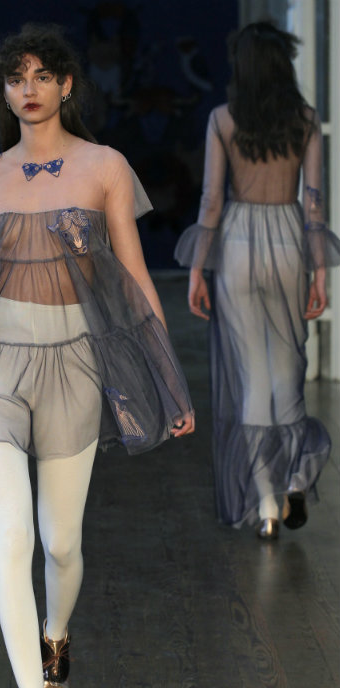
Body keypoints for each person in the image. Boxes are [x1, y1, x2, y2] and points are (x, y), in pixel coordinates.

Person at [0, 23, 194, 688]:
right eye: (15, 78)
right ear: (3, 92)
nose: (28, 89)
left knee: (61, 542)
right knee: (10, 538)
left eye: (42, 75)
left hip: (74, 364)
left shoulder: (105, 166)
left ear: (67, 85)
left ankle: (56, 637)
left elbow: (134, 280)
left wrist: (167, 377)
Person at [174, 21, 340, 540]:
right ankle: (295, 477)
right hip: (289, 239)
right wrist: (320, 273)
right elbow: (315, 203)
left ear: (241, 67)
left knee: (251, 377)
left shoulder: (222, 120)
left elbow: (211, 201)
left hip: (238, 244)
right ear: (284, 66)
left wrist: (197, 268)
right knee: (287, 368)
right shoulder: (306, 120)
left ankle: (266, 506)